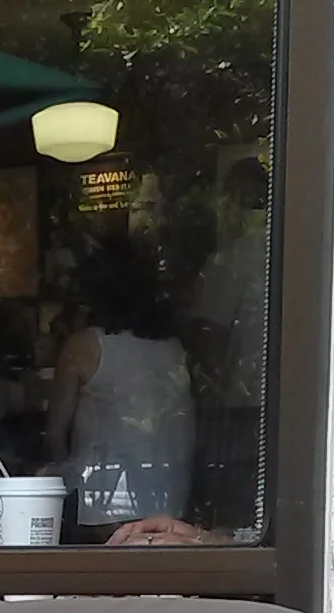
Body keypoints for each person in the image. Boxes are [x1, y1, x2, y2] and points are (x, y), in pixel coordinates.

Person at [46, 245, 196, 541]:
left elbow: (54, 436)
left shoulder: (84, 346)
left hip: (103, 510)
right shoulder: (175, 346)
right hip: (172, 506)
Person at [187, 155, 270, 532]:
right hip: (288, 404)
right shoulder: (292, 246)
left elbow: (210, 336)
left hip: (238, 406)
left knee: (234, 502)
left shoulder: (233, 259)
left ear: (235, 200)